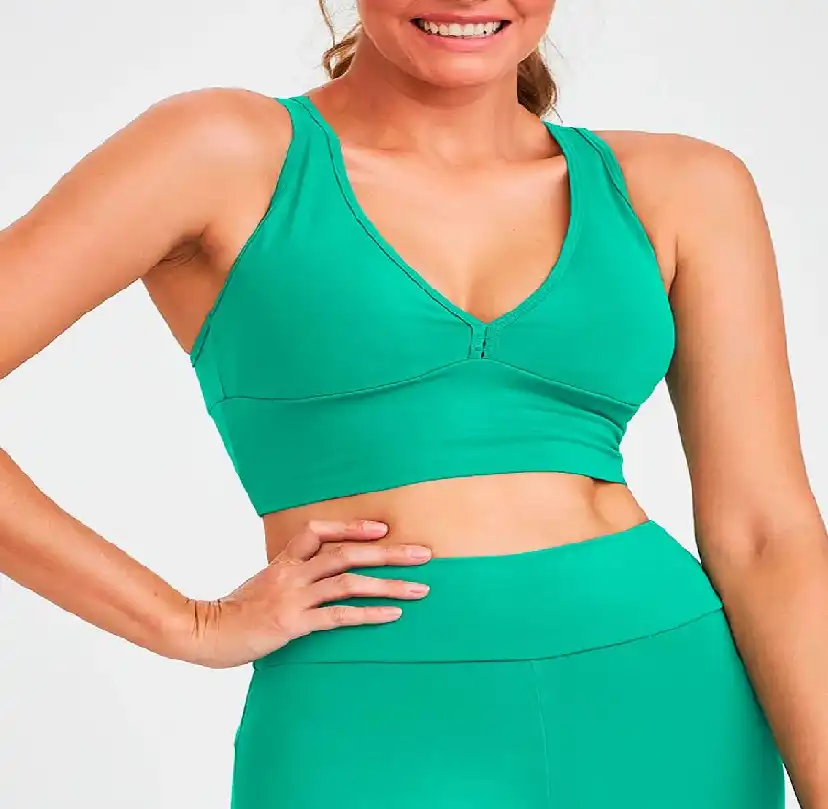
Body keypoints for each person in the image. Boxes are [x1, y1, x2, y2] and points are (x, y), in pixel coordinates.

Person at [1, 0, 826, 806]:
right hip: (367, 708)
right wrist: (188, 624)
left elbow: (766, 534)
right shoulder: (220, 153)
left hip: (664, 691)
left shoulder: (684, 187)